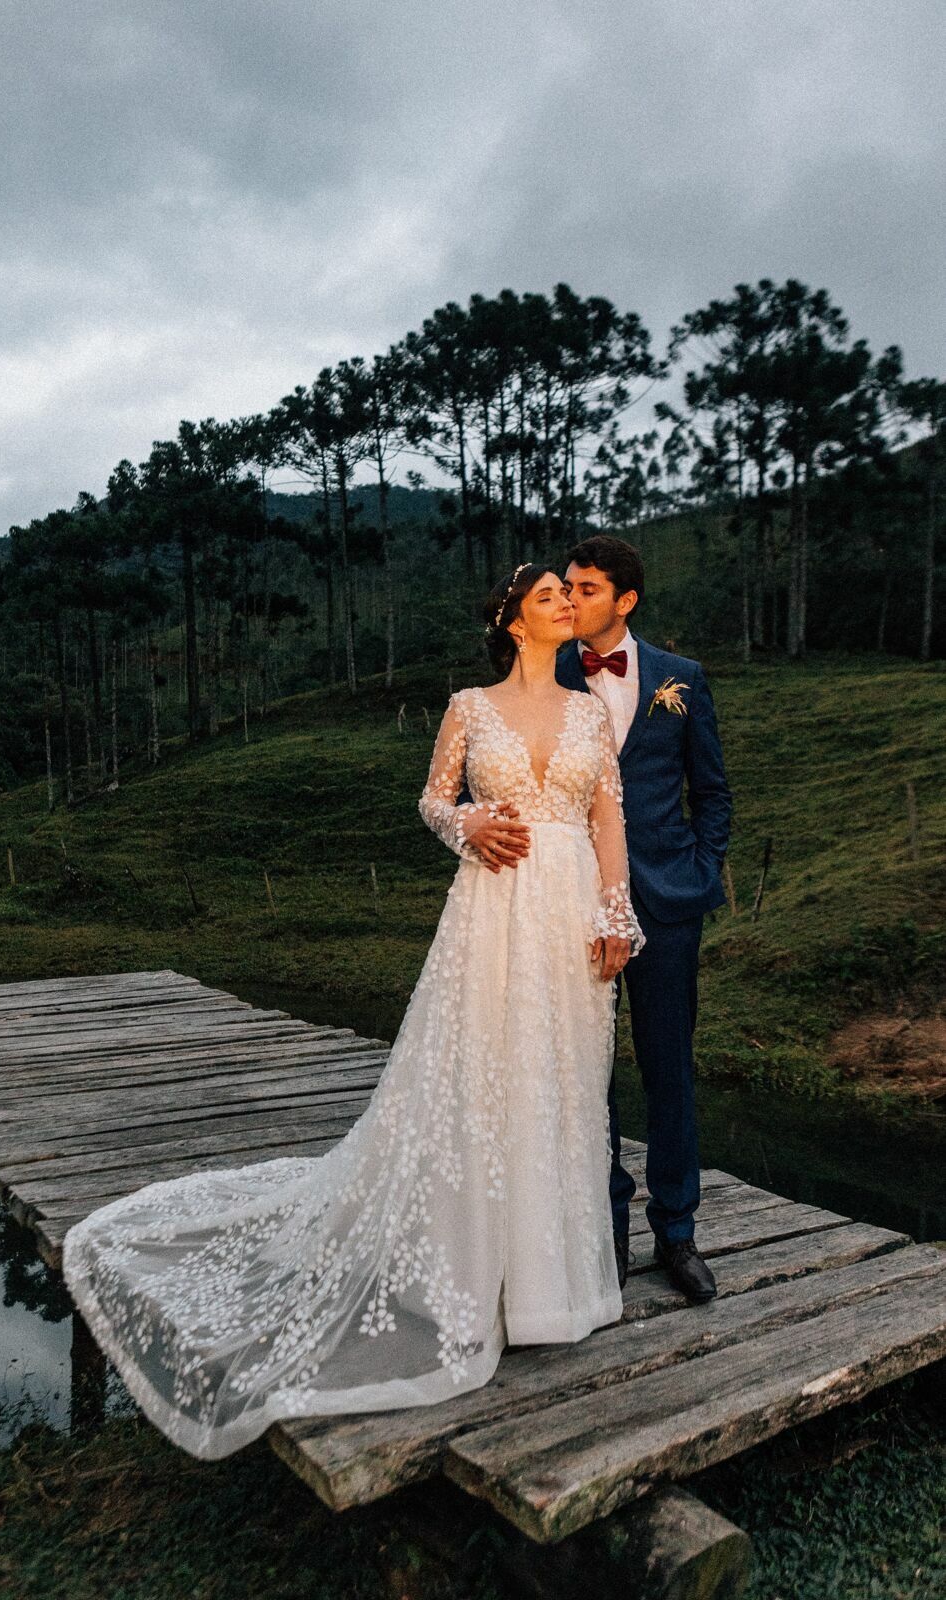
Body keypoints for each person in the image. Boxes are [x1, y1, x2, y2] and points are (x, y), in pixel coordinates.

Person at [61, 564, 643, 1460]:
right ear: (513, 622)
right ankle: (470, 1273)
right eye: (549, 597)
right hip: (491, 909)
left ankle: (548, 1290)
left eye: (573, 593)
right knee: (479, 1076)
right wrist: (466, 826)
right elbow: (429, 798)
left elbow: (609, 818)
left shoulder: (590, 713)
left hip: (567, 906)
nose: (569, 602)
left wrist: (616, 911)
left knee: (561, 1081)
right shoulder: (467, 707)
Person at [554, 535, 732, 1303]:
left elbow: (712, 791)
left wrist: (698, 867)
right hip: (569, 903)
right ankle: (604, 1231)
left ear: (624, 601)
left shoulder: (681, 681)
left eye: (585, 589)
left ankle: (678, 1233)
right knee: (587, 1075)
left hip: (666, 901)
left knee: (667, 1069)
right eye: (564, 588)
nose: (568, 600)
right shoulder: (544, 674)